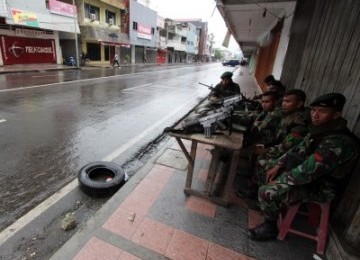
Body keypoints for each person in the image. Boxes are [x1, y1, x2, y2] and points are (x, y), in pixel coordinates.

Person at [247, 93, 360, 241]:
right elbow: (296, 150)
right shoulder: (320, 130)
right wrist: (278, 165)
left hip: (321, 186)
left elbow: (307, 171)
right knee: (266, 165)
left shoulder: (338, 142)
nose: (315, 115)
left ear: (336, 115)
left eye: (323, 111)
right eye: (313, 110)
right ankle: (270, 205)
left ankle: (270, 226)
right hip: (308, 177)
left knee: (267, 191)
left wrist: (281, 179)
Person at [236, 89, 310, 198]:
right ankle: (253, 179)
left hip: (292, 155)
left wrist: (266, 149)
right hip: (283, 148)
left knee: (262, 159)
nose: (284, 104)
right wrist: (266, 146)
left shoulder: (299, 121)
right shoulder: (288, 115)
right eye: (283, 101)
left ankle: (257, 190)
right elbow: (280, 138)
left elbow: (288, 145)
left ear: (299, 104)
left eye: (288, 101)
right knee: (258, 149)